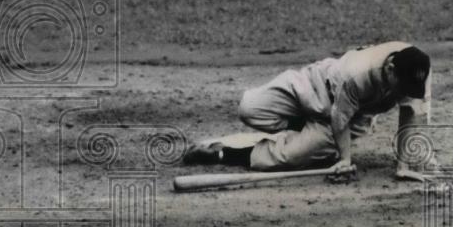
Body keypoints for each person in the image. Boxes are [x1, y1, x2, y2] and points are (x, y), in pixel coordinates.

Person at [182, 42, 439, 181]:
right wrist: (345, 159)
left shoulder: (417, 73)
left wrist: (403, 164)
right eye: (402, 85)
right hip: (315, 85)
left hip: (352, 118)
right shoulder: (358, 73)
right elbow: (339, 115)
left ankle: (224, 153)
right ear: (391, 69)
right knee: (249, 109)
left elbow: (411, 117)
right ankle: (310, 139)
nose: (406, 91)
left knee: (287, 157)